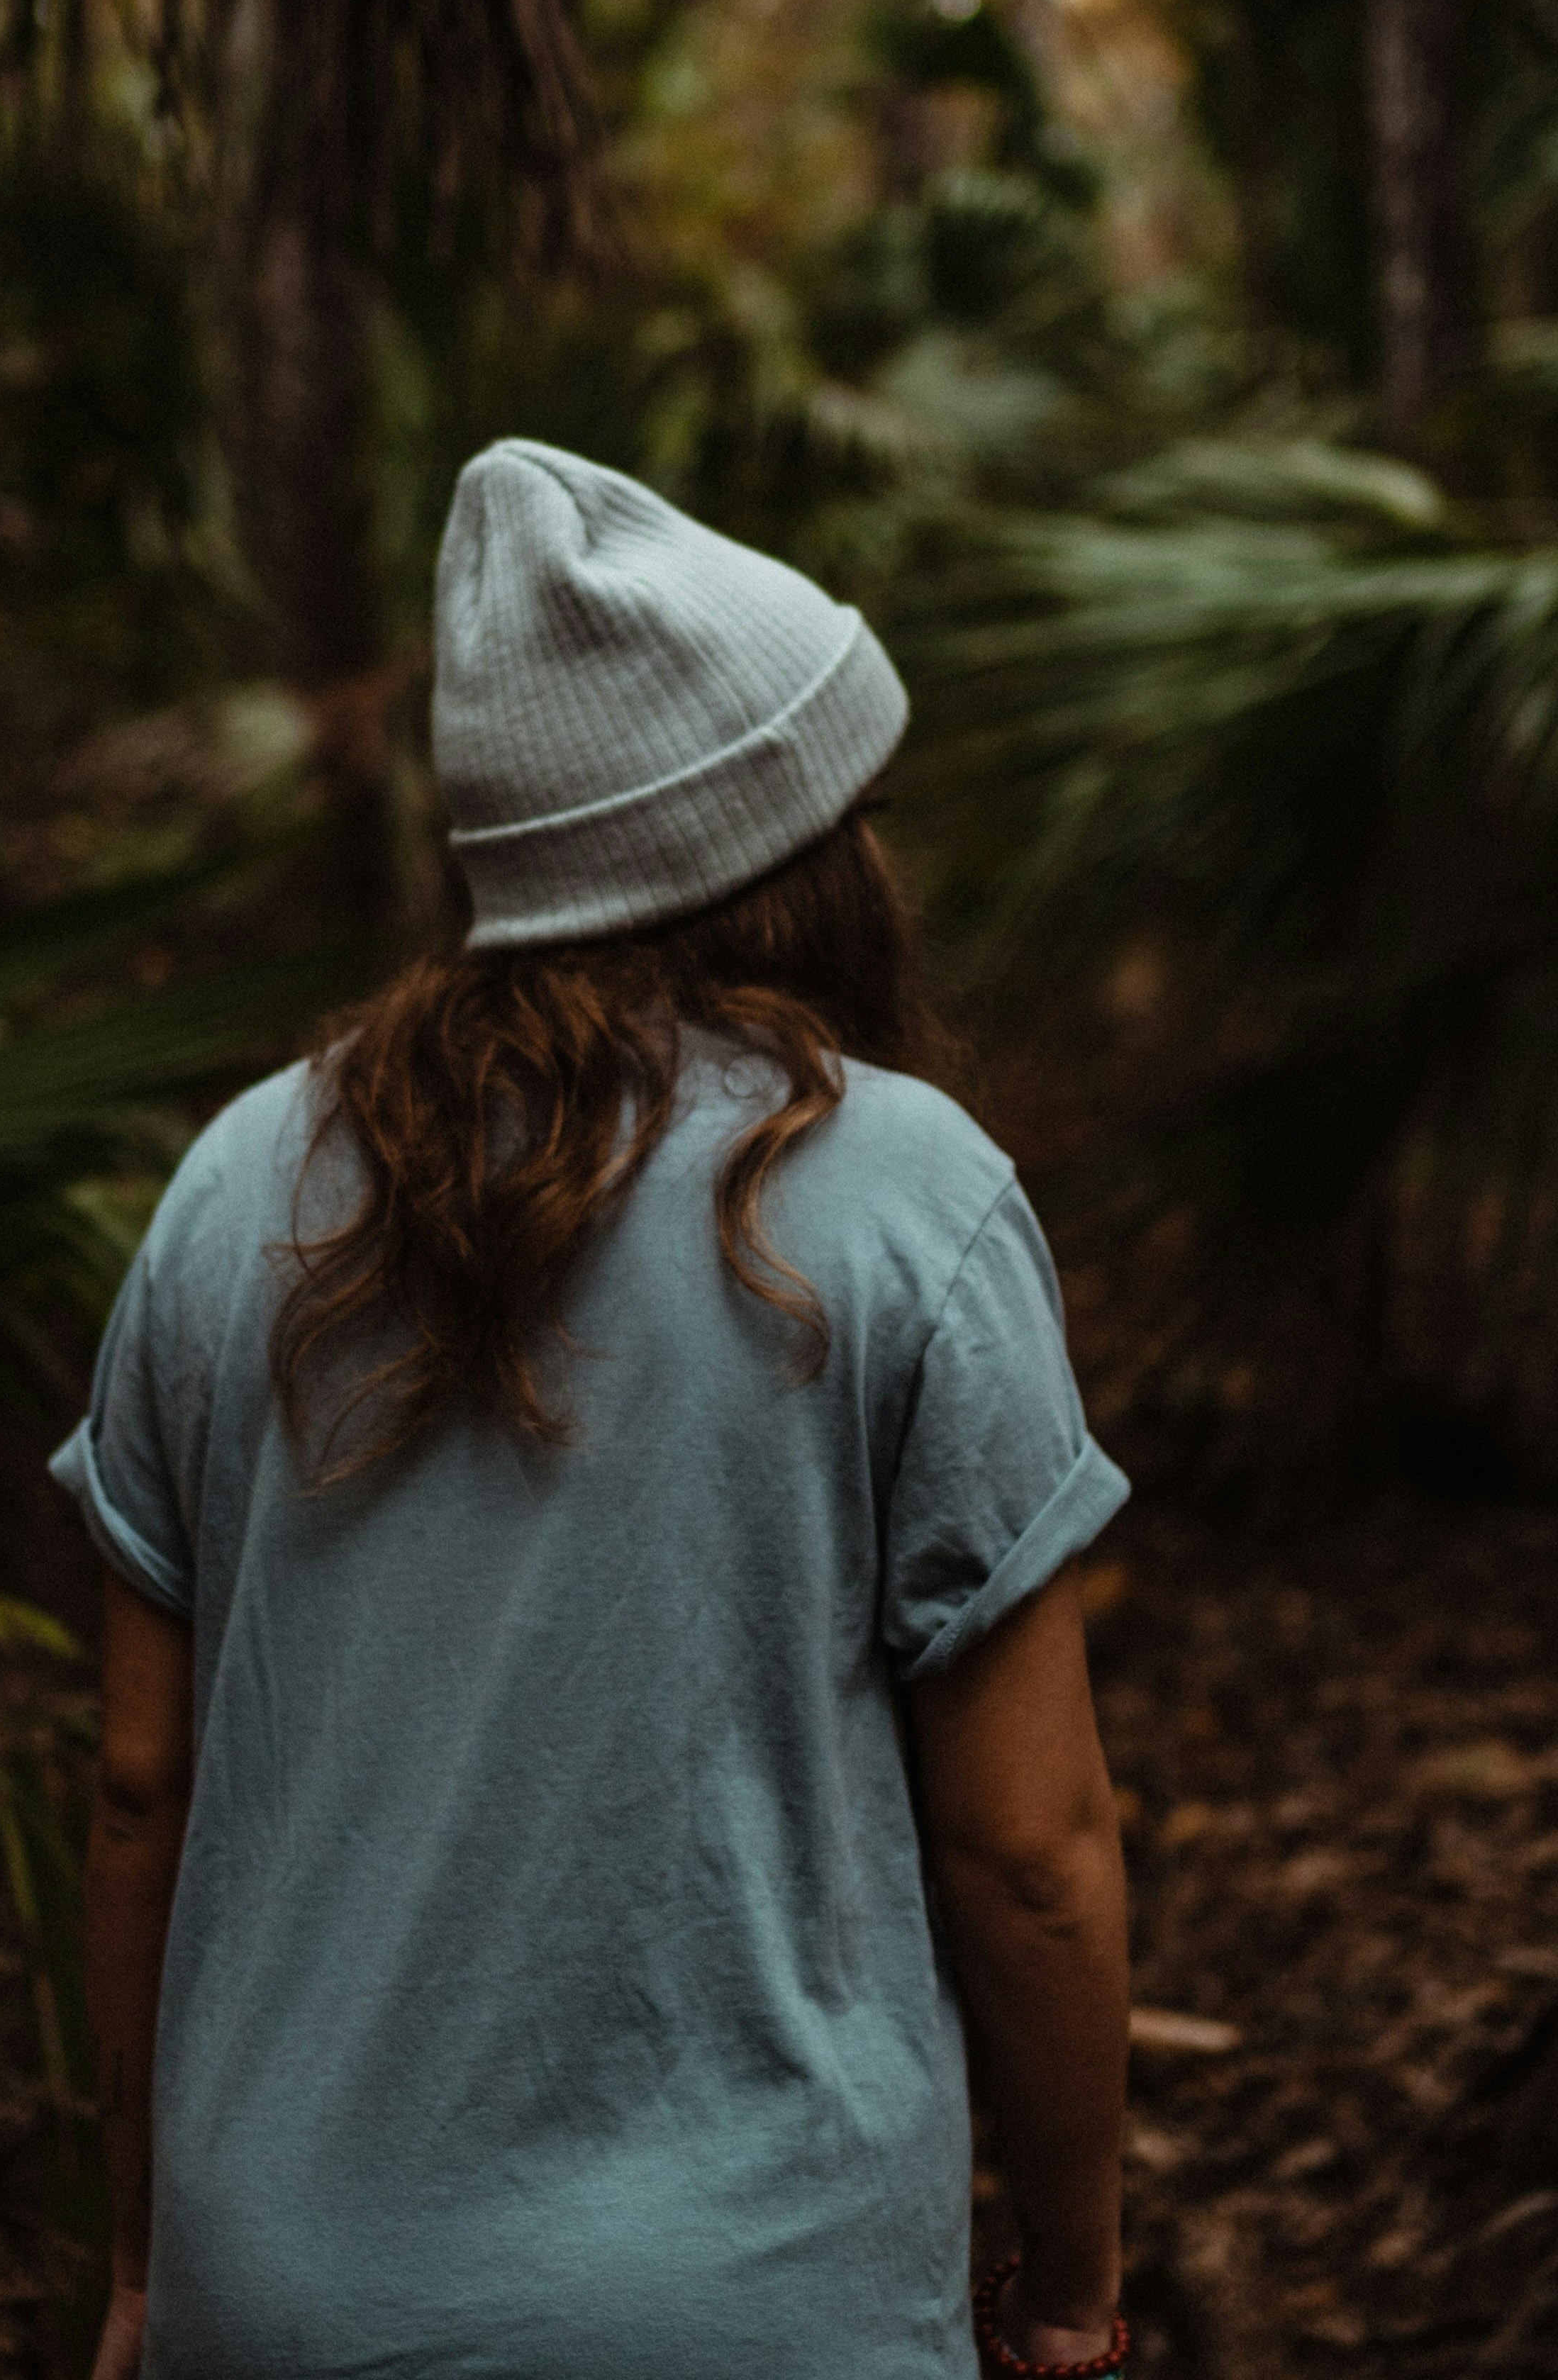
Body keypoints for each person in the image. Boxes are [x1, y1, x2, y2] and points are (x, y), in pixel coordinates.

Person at [56, 439, 1134, 2379]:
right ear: (789, 855)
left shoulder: (234, 1191)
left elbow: (143, 1786)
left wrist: (144, 2266)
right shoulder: (912, 1201)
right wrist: (1069, 2284)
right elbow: (1030, 1850)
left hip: (287, 2298)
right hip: (760, 2304)